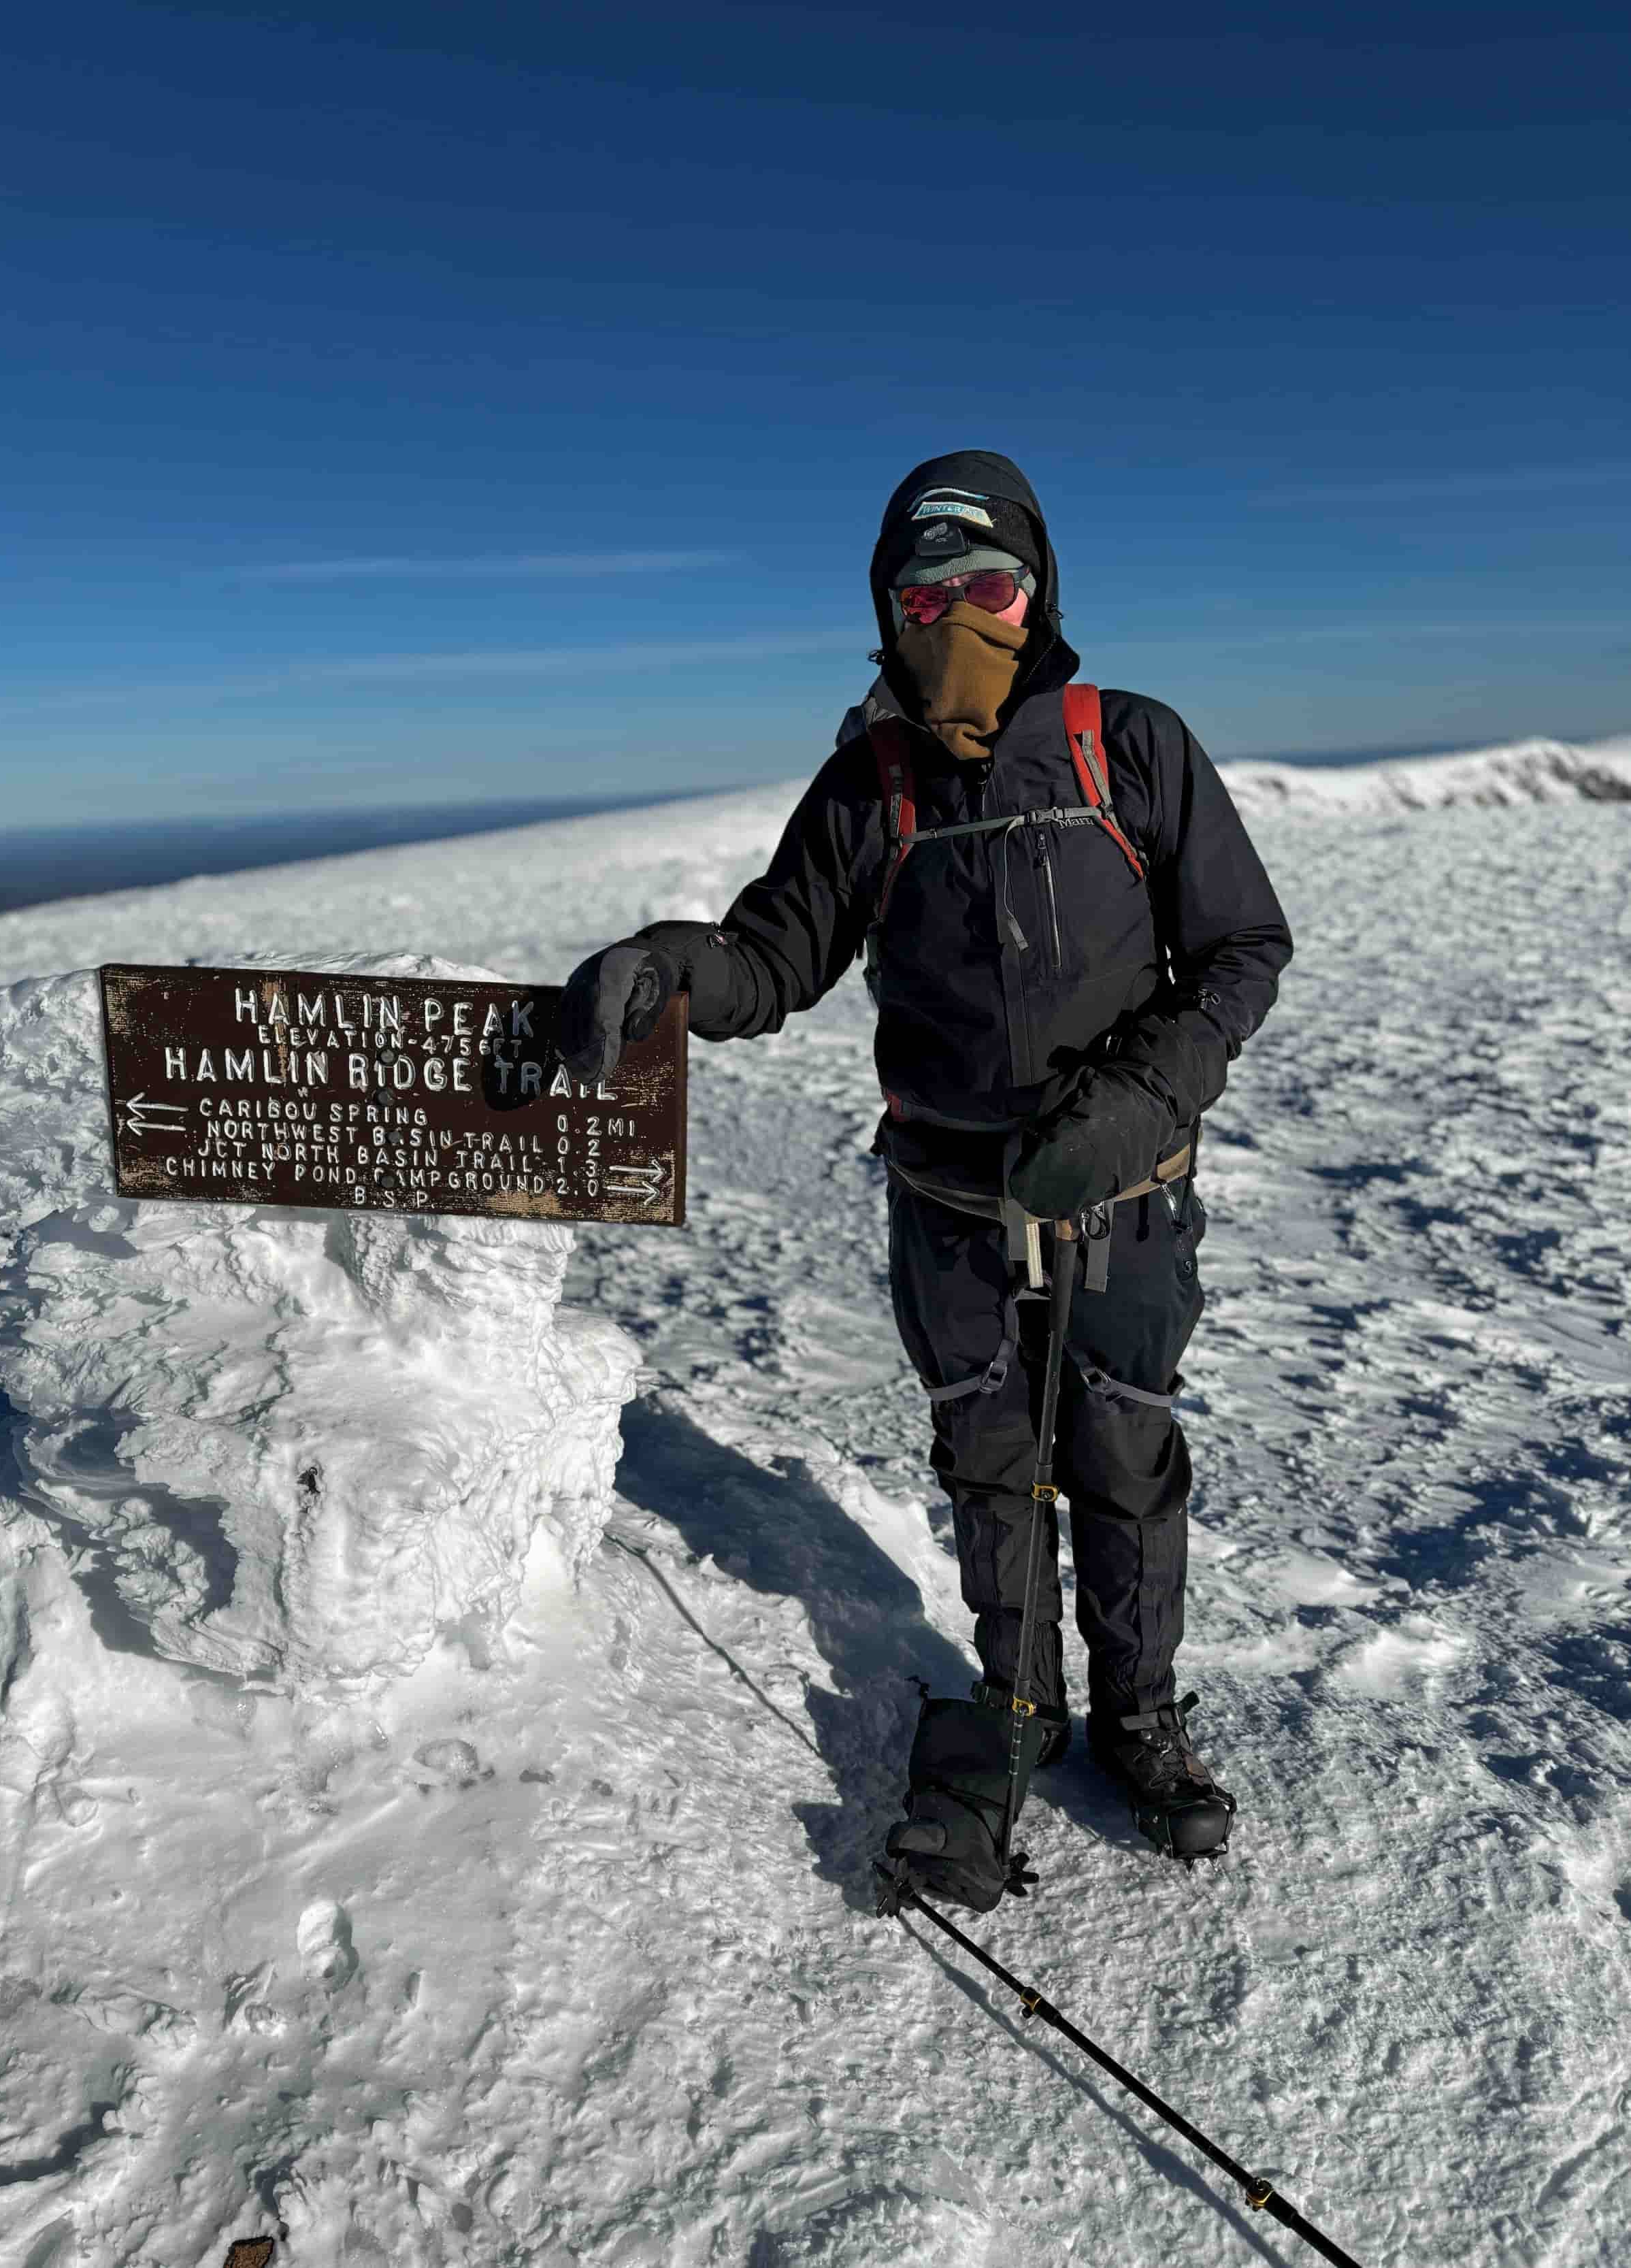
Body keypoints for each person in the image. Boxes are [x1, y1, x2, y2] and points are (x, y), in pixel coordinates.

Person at [560, 450, 1293, 1909]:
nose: (956, 617)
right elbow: (773, 957)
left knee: (1122, 1455)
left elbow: (1238, 950)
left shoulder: (1128, 746)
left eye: (988, 587)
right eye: (922, 595)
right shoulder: (868, 787)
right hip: (951, 1214)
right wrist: (669, 967)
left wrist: (1136, 1100)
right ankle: (1017, 1708)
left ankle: (1138, 1718)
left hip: (1124, 1203)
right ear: (884, 613)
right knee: (990, 1464)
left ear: (1039, 592)